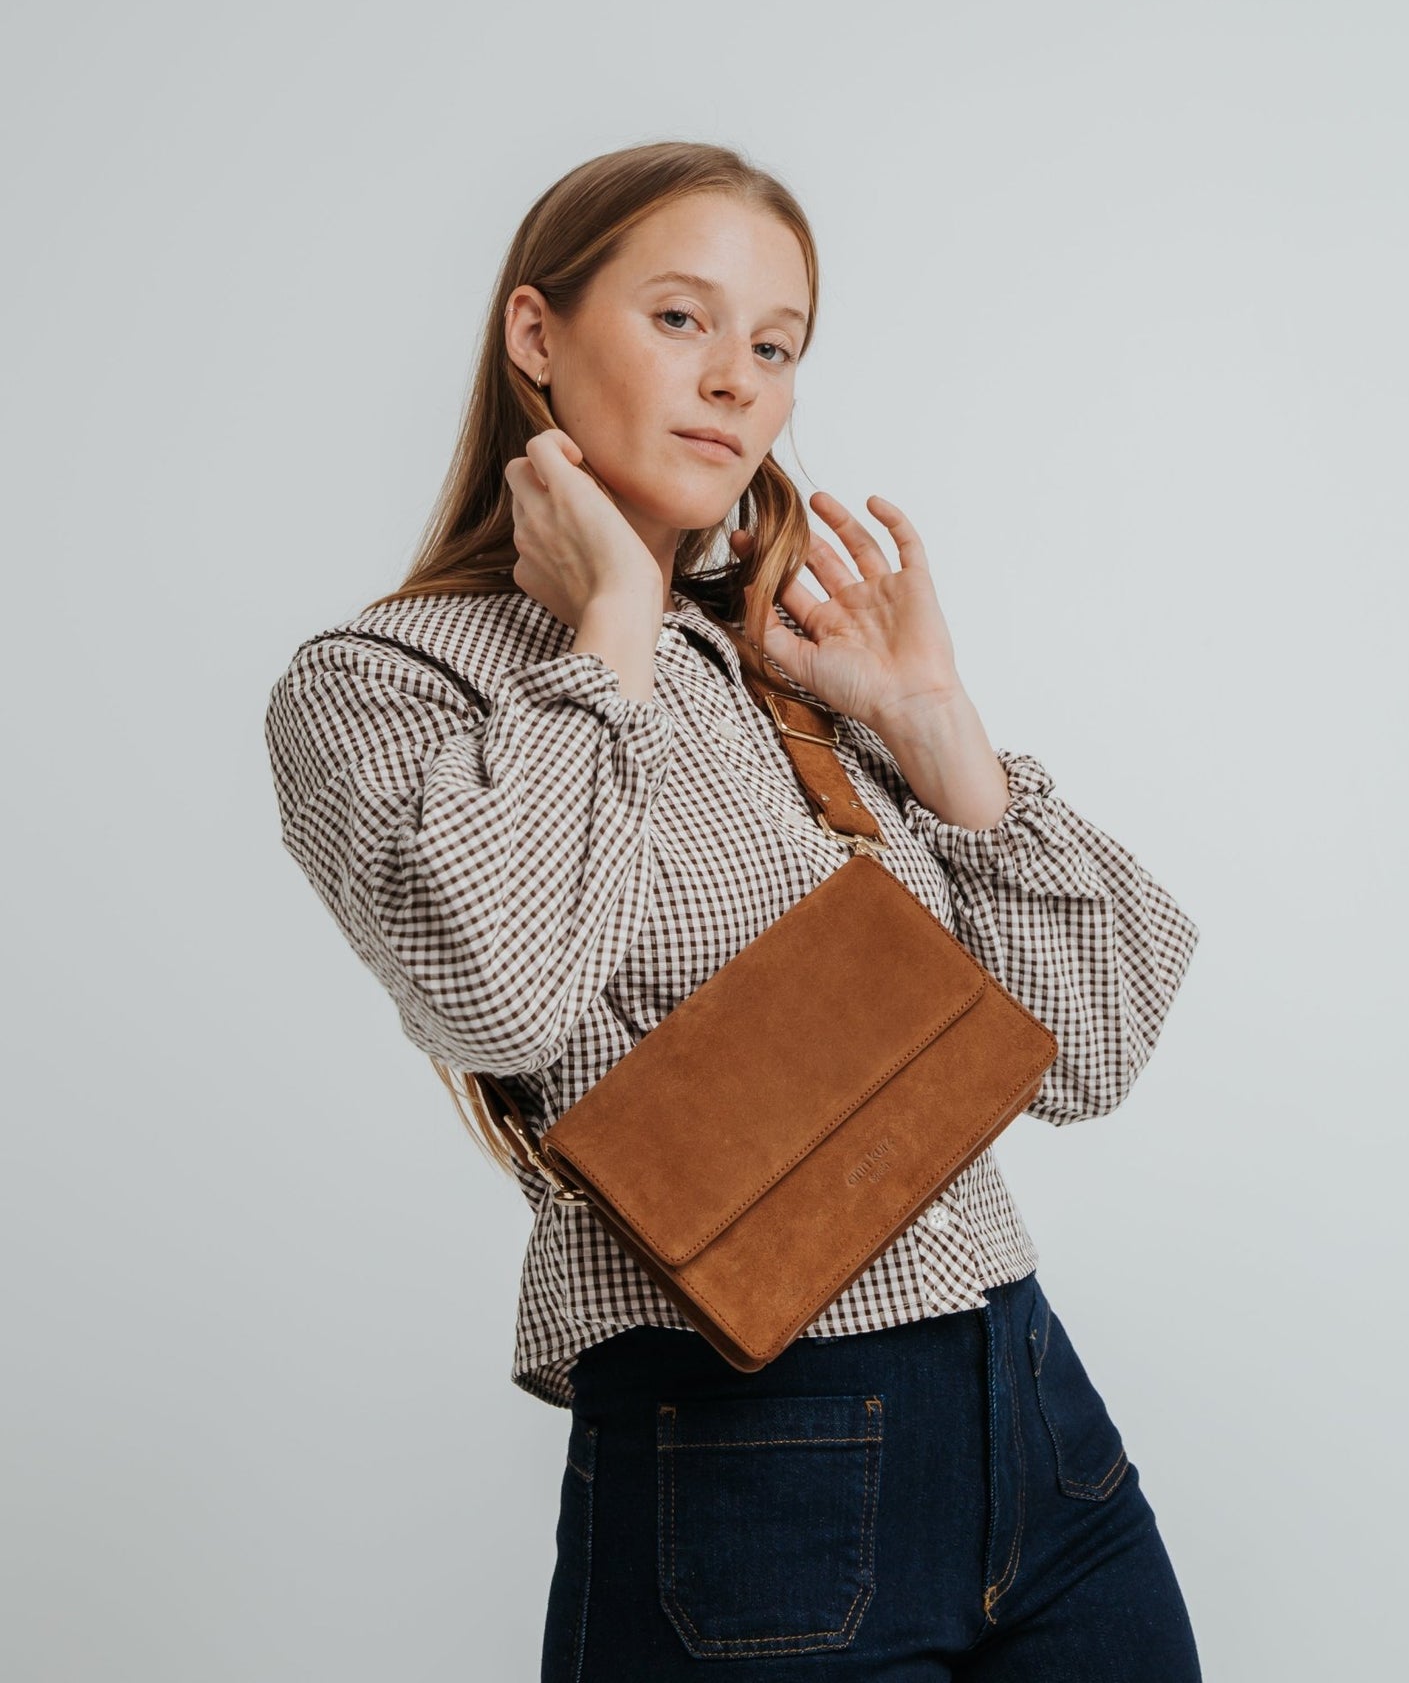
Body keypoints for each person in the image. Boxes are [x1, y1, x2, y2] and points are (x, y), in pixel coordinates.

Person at [264, 140, 1205, 1679]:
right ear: (535, 335)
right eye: (683, 319)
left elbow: (1095, 1047)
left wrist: (932, 722)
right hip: (749, 1449)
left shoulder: (782, 665)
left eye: (775, 348)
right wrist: (613, 626)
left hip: (1039, 1420)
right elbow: (492, 993)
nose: (736, 384)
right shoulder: (385, 684)